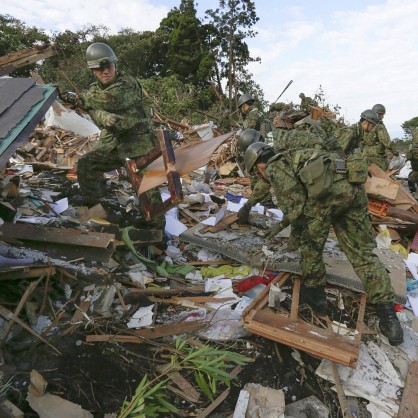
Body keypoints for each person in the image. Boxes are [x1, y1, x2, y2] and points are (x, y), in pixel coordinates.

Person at [243, 110, 404, 346]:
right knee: (363, 257)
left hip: (327, 199)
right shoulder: (299, 154)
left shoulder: (276, 167)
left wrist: (284, 229)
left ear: (259, 166)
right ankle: (390, 321)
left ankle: (316, 299)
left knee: (311, 248)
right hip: (353, 191)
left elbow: (296, 209)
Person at [64, 42, 164, 227]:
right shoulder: (94, 90)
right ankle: (97, 207)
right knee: (87, 165)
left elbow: (111, 100)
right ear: (93, 71)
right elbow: (96, 112)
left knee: (148, 188)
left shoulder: (128, 84)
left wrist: (80, 100)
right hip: (112, 143)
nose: (105, 72)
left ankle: (157, 230)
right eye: (99, 69)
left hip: (138, 143)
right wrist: (100, 114)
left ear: (115, 64)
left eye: (108, 66)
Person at [361, 103, 399, 170]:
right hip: (377, 157)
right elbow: (386, 142)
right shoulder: (379, 126)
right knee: (385, 172)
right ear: (380, 115)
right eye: (382, 115)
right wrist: (396, 153)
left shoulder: (364, 123)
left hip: (364, 155)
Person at [406, 127, 418, 192]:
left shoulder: (415, 129)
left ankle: (411, 178)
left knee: (415, 170)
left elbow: (412, 144)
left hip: (413, 152)